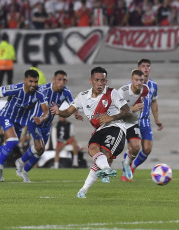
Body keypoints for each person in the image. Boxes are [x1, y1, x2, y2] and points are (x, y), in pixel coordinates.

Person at [50, 66, 132, 198]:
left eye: (103, 80)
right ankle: (101, 174)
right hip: (100, 130)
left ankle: (86, 186)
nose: (100, 83)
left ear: (106, 81)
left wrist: (112, 117)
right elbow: (68, 112)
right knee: (92, 149)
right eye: (97, 80)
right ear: (91, 80)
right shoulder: (82, 96)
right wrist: (59, 111)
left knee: (103, 155)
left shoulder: (112, 93)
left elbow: (127, 111)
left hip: (116, 127)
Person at [0, 69, 49, 182]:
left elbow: (46, 111)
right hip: (6, 116)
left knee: (8, 145)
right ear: (25, 80)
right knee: (13, 141)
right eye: (31, 81)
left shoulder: (40, 93)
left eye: (35, 82)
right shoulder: (15, 88)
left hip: (20, 122)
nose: (33, 84)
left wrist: (41, 118)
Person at [15, 70, 81, 182]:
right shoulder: (43, 89)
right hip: (35, 120)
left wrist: (76, 113)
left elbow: (73, 105)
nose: (61, 82)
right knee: (39, 147)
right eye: (59, 79)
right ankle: (21, 162)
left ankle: (24, 171)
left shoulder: (66, 92)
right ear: (53, 80)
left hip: (46, 125)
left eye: (64, 80)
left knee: (41, 151)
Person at [127, 59, 163, 180]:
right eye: (143, 66)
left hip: (145, 121)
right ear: (138, 68)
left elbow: (154, 102)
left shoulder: (154, 85)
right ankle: (125, 172)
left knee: (147, 148)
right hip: (132, 121)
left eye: (148, 66)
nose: (146, 68)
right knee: (133, 148)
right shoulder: (128, 87)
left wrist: (156, 119)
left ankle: (132, 167)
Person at [118, 69, 149, 182]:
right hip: (119, 123)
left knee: (136, 147)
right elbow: (117, 112)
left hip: (132, 123)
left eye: (141, 80)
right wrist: (132, 109)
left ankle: (126, 164)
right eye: (136, 80)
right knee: (111, 151)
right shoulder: (122, 91)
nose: (139, 83)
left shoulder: (145, 89)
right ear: (131, 80)